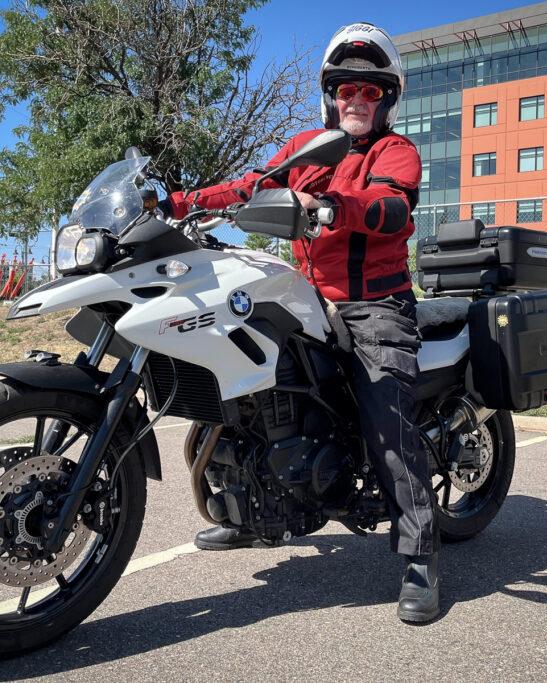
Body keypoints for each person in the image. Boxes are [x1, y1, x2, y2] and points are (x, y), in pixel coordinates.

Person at [160, 23, 440, 623]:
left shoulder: (396, 152)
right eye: (347, 89)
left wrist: (337, 206)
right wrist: (175, 204)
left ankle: (420, 555)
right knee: (245, 392)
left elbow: (393, 206)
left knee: (386, 417)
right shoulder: (306, 147)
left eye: (370, 91)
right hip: (303, 297)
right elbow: (249, 188)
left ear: (387, 98)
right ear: (330, 94)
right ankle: (250, 514)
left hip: (374, 306)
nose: (357, 100)